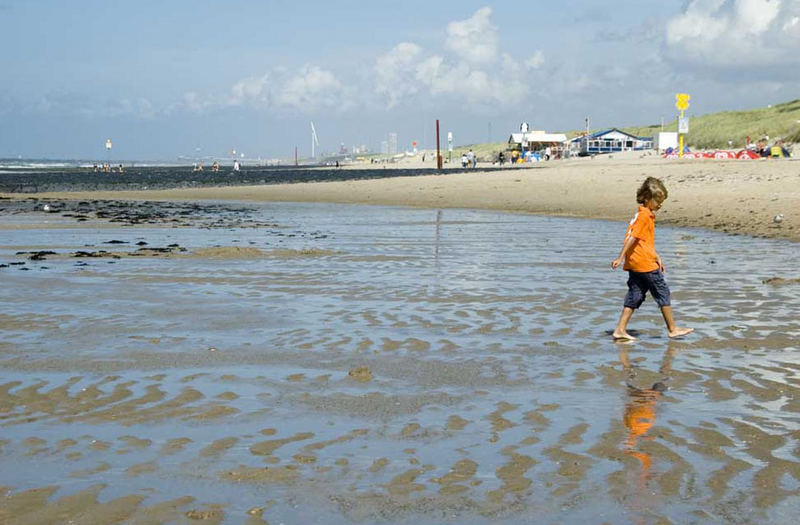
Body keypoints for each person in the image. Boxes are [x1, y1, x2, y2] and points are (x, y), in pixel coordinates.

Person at [611, 177, 693, 340]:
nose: (660, 205)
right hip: (644, 264)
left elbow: (644, 241)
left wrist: (657, 257)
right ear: (647, 198)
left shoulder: (640, 214)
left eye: (662, 201)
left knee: (636, 293)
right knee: (662, 291)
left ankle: (620, 329)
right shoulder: (644, 216)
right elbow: (633, 238)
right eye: (657, 201)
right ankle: (672, 328)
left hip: (636, 262)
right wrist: (620, 257)